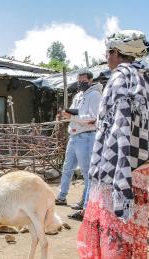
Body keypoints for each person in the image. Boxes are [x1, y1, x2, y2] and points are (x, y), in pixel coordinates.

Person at [77, 30, 149, 259]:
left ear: (117, 53)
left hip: (118, 162)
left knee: (115, 220)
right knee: (134, 220)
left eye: (108, 53)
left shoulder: (119, 78)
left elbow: (117, 128)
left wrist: (116, 168)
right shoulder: (145, 77)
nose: (106, 58)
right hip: (138, 163)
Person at [54, 70, 102, 221]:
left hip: (86, 136)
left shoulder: (95, 95)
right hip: (74, 135)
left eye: (83, 80)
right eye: (79, 80)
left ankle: (85, 204)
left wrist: (72, 116)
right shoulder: (78, 95)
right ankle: (62, 196)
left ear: (90, 80)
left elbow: (93, 118)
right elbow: (76, 112)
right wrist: (67, 114)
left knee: (87, 172)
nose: (80, 83)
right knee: (67, 168)